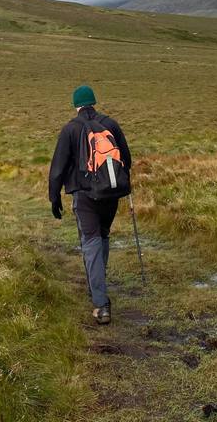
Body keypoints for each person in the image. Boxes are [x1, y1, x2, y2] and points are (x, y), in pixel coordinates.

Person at [48, 84, 132, 325]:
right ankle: (99, 288)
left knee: (91, 242)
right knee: (103, 237)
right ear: (94, 102)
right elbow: (126, 159)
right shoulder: (111, 124)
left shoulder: (70, 129)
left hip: (85, 196)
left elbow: (58, 169)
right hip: (111, 194)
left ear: (75, 105)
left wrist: (54, 198)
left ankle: (100, 304)